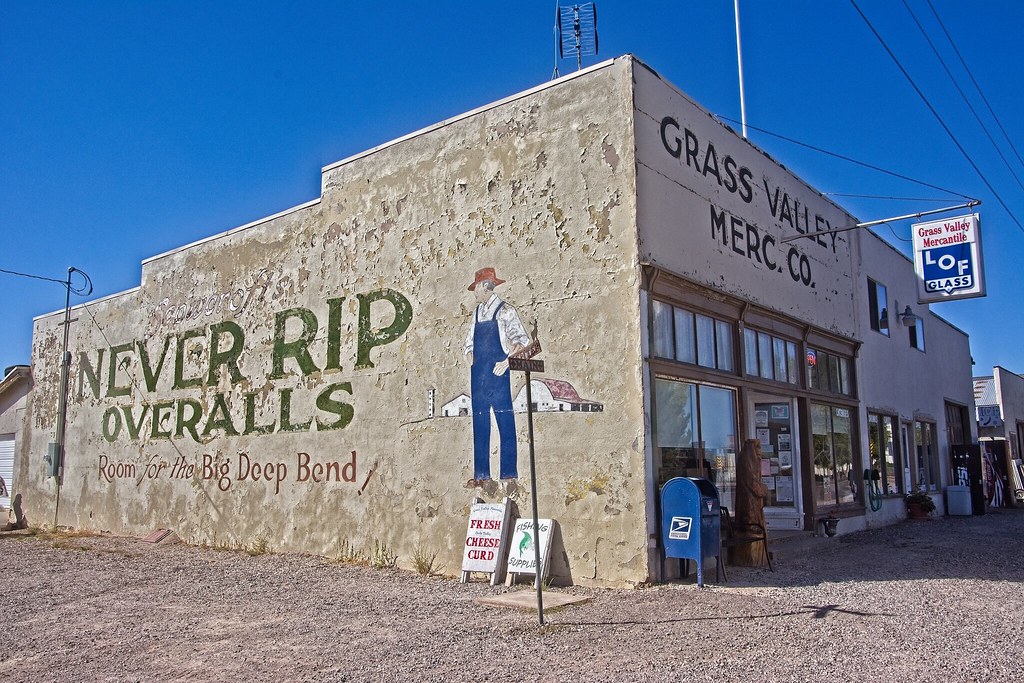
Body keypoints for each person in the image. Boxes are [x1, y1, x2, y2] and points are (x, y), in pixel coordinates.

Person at [463, 267, 529, 487]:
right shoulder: (476, 313)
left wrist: (506, 362)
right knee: (480, 423)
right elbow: (468, 342)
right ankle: (482, 475)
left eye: (476, 287)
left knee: (505, 421)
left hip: (498, 372)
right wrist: (470, 354)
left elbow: (521, 341)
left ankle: (509, 474)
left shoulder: (505, 311)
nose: (474, 292)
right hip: (478, 375)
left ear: (485, 286)